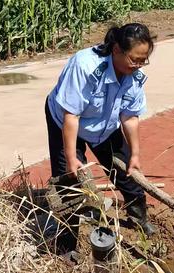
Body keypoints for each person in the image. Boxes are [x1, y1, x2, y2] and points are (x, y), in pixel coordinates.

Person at [45, 23, 156, 254]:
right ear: (116, 49)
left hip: (104, 124)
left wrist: (134, 154)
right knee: (70, 182)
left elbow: (130, 117)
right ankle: (67, 244)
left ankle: (139, 219)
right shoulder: (85, 66)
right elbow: (71, 115)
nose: (138, 65)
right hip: (66, 120)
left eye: (143, 60)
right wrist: (71, 158)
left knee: (128, 173)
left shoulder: (134, 76)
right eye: (134, 59)